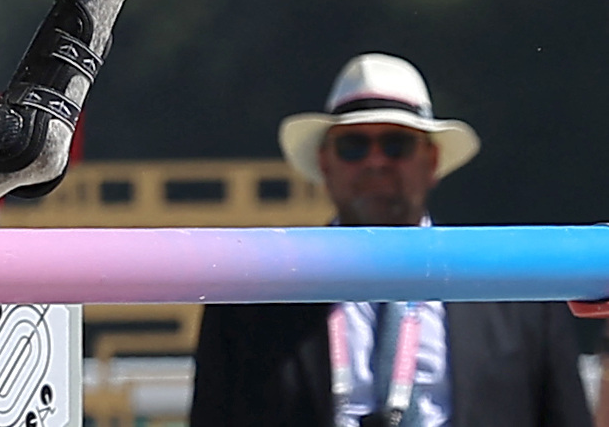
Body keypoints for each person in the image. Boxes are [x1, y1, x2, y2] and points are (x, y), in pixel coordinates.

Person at [189, 54, 586, 427]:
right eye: (353, 146)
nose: (375, 161)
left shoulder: (521, 297)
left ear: (431, 161)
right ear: (326, 164)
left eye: (396, 144)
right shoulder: (250, 302)